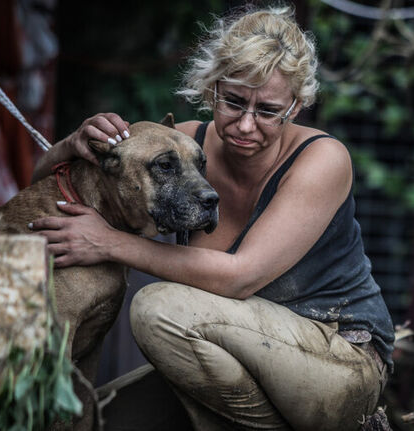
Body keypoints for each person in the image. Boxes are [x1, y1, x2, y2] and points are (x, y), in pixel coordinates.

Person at [30, 5, 394, 430]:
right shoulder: (180, 146)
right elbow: (43, 191)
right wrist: (71, 146)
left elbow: (239, 277)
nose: (244, 124)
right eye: (234, 102)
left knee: (157, 307)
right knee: (105, 419)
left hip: (337, 362)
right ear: (213, 90)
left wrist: (109, 242)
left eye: (267, 110)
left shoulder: (322, 159)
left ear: (294, 108)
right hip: (232, 355)